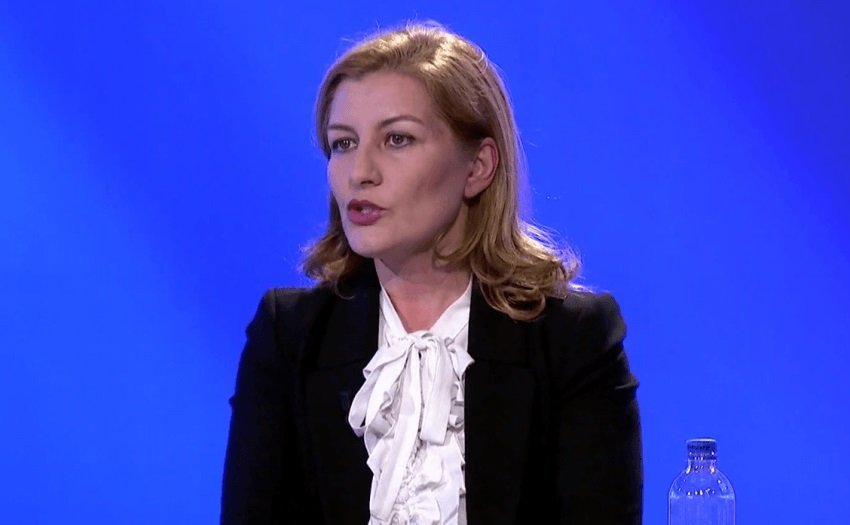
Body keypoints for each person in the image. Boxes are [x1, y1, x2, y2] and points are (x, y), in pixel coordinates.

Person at [221, 21, 642, 525]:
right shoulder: (289, 336)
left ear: (478, 167)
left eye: (397, 139)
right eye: (343, 144)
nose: (360, 173)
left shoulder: (572, 339)